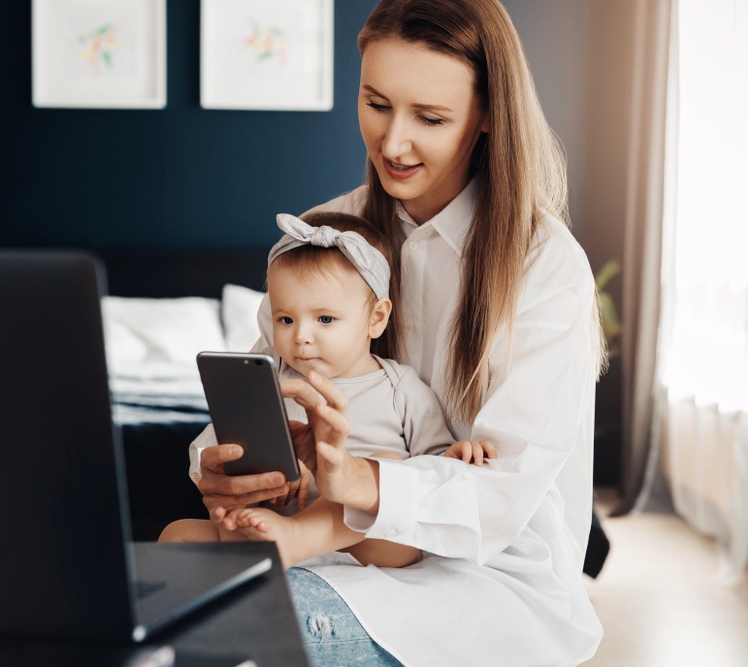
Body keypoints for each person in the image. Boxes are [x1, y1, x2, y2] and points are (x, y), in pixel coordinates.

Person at [186, 1, 606, 665]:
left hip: (482, 578)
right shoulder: (327, 234)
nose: (392, 143)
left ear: (488, 113)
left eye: (430, 118)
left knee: (239, 632)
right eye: (376, 103)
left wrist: (356, 479)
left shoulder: (544, 267)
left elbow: (501, 494)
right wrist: (222, 463)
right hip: (325, 543)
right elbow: (265, 381)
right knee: (158, 601)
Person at [159, 211, 495, 570]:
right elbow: (210, 449)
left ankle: (299, 538)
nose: (301, 335)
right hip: (269, 529)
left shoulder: (400, 388)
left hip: (367, 545)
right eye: (285, 319)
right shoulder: (270, 382)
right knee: (175, 535)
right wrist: (243, 471)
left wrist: (455, 455)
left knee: (389, 466)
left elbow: (430, 470)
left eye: (325, 319)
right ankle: (276, 543)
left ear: (376, 319)